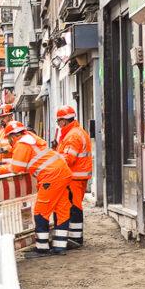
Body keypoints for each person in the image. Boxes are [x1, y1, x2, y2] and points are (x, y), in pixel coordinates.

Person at [0, 121, 72, 257]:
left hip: (51, 177)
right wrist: (6, 162)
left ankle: (42, 248)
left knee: (41, 211)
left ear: (12, 137)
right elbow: (28, 160)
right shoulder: (31, 139)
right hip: (62, 172)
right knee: (62, 209)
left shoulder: (22, 144)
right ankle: (60, 246)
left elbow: (17, 168)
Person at [55, 105, 92, 248]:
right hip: (77, 176)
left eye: (59, 121)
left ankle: (75, 239)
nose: (58, 124)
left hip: (74, 177)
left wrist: (53, 159)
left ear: (64, 121)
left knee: (74, 207)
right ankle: (75, 237)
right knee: (75, 206)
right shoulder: (76, 132)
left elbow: (69, 158)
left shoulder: (72, 135)